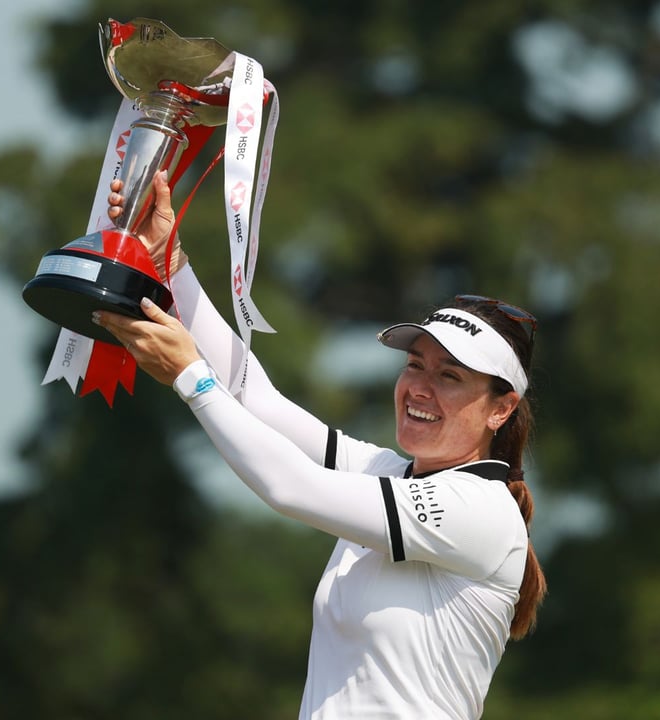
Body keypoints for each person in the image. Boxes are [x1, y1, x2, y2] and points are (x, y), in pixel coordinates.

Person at [94, 172, 546, 720]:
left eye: (450, 377)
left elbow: (289, 486)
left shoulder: (482, 510)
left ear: (501, 409)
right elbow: (255, 398)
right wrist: (171, 261)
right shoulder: (388, 472)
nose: (419, 388)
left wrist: (191, 378)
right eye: (414, 366)